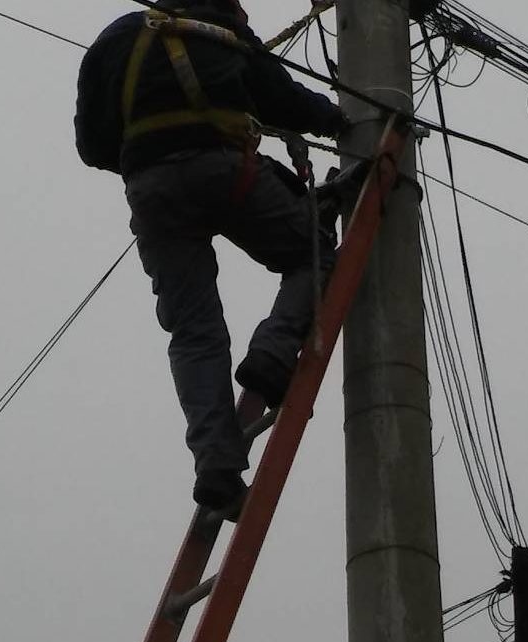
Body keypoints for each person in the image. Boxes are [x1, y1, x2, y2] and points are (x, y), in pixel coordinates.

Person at [75, 0, 347, 511]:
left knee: (193, 330)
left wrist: (152, 156)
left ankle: (216, 463)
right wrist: (340, 121)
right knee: (312, 253)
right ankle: (271, 352)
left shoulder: (114, 42)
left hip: (151, 191)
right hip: (226, 171)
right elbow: (282, 99)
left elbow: (92, 144)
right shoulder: (222, 27)